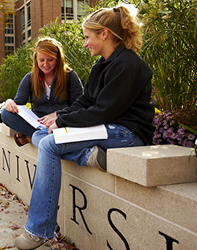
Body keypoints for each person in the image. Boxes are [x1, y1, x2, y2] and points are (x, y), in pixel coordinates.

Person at [14, 4, 155, 250]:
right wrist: (60, 117)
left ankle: (39, 230)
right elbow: (86, 101)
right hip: (106, 128)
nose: (85, 43)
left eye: (87, 37)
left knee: (48, 144)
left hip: (126, 133)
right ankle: (88, 156)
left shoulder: (127, 65)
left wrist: (63, 122)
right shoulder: (103, 64)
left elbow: (104, 110)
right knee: (42, 135)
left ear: (104, 34)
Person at [0, 37, 83, 147]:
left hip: (62, 122)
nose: (46, 64)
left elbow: (80, 105)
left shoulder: (69, 76)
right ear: (36, 60)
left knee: (37, 138)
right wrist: (9, 103)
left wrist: (58, 115)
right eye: (41, 60)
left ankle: (32, 137)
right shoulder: (30, 78)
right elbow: (18, 104)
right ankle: (45, 136)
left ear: (58, 59)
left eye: (50, 59)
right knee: (5, 114)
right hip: (39, 123)